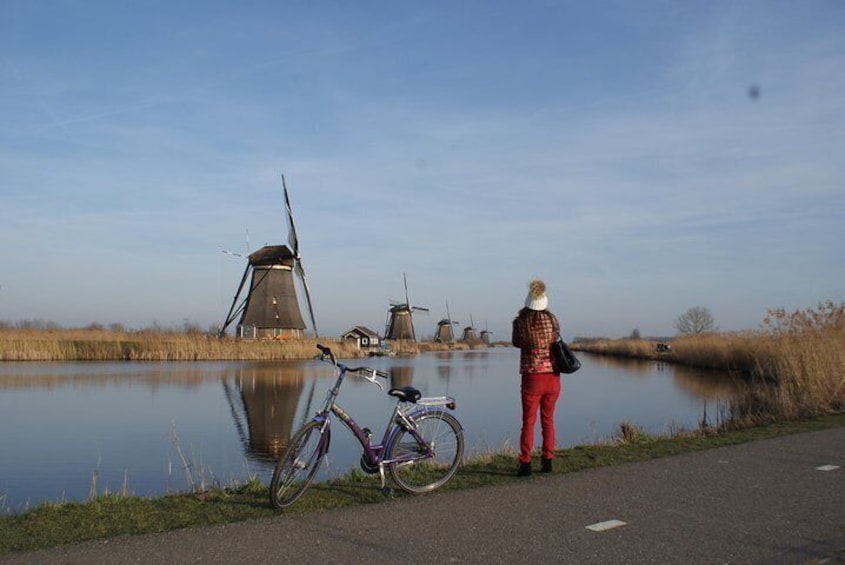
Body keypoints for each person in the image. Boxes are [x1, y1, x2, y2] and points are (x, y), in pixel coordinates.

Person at [511, 279, 562, 476]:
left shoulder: (520, 322)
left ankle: (525, 463)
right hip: (552, 377)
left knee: (528, 421)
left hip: (532, 377)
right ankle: (548, 460)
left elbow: (516, 342)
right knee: (548, 420)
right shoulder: (552, 319)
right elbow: (556, 339)